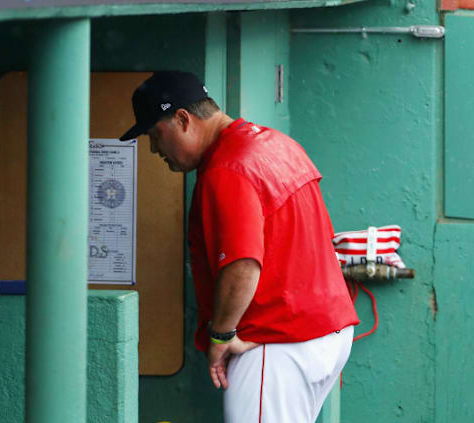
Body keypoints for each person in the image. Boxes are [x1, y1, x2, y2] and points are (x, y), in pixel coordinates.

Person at [119, 71, 359, 422]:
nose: (154, 148)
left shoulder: (227, 167)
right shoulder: (278, 143)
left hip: (275, 345)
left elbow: (242, 264)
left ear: (184, 119)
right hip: (326, 334)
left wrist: (221, 335)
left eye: (156, 134)